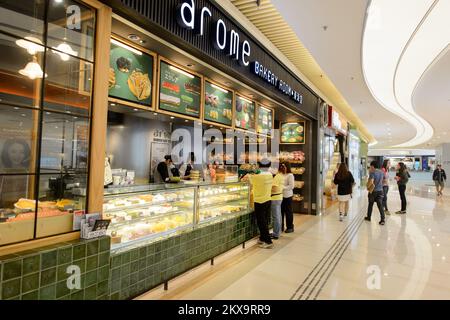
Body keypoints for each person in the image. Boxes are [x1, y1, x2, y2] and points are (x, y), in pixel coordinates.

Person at [244, 161, 274, 249]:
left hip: (260, 201)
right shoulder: (269, 174)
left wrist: (249, 173)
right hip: (268, 199)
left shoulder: (258, 176)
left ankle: (268, 241)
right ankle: (262, 238)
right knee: (265, 220)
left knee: (262, 222)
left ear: (260, 166)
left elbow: (246, 179)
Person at [365, 161, 385, 225]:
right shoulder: (381, 172)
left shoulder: (372, 172)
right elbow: (384, 180)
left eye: (370, 166)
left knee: (370, 204)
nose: (370, 167)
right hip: (380, 191)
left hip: (373, 191)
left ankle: (369, 217)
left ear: (373, 166)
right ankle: (382, 219)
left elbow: (371, 181)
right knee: (380, 205)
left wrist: (367, 186)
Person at [270, 164, 285, 240]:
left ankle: (276, 234)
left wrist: (268, 190)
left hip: (275, 197)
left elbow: (275, 188)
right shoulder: (281, 176)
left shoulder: (277, 176)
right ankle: (278, 232)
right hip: (279, 197)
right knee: (278, 216)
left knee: (276, 216)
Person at [281, 162, 295, 233]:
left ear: (287, 167)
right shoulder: (280, 175)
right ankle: (281, 226)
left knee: (288, 212)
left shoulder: (290, 175)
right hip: (280, 196)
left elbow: (291, 186)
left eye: (284, 166)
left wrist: (282, 187)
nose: (282, 168)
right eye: (282, 166)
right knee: (281, 212)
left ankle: (290, 227)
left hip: (288, 196)